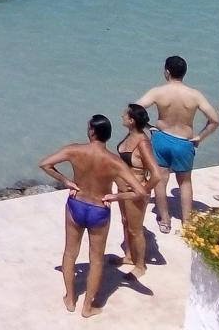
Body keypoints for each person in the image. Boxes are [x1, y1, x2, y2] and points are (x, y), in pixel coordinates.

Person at [39, 116, 149, 318]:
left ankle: (70, 298)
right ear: (107, 136)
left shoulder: (75, 150)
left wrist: (66, 181)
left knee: (70, 253)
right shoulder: (114, 161)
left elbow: (45, 164)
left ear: (92, 132)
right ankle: (88, 308)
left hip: (76, 205)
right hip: (99, 209)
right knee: (96, 259)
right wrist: (115, 197)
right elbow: (140, 192)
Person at [135, 55, 219, 232]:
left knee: (160, 180)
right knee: (185, 183)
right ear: (184, 73)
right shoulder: (195, 95)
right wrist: (200, 137)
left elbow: (134, 110)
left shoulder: (158, 92)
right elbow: (214, 120)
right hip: (184, 142)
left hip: (162, 139)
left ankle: (165, 220)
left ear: (167, 72)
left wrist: (149, 127)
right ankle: (187, 222)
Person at [116, 104, 163, 278]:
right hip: (123, 189)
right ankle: (129, 256)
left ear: (131, 120)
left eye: (125, 114)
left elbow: (156, 174)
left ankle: (141, 266)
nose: (122, 115)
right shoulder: (130, 135)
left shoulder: (143, 143)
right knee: (125, 222)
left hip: (135, 191)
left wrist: (143, 191)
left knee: (136, 230)